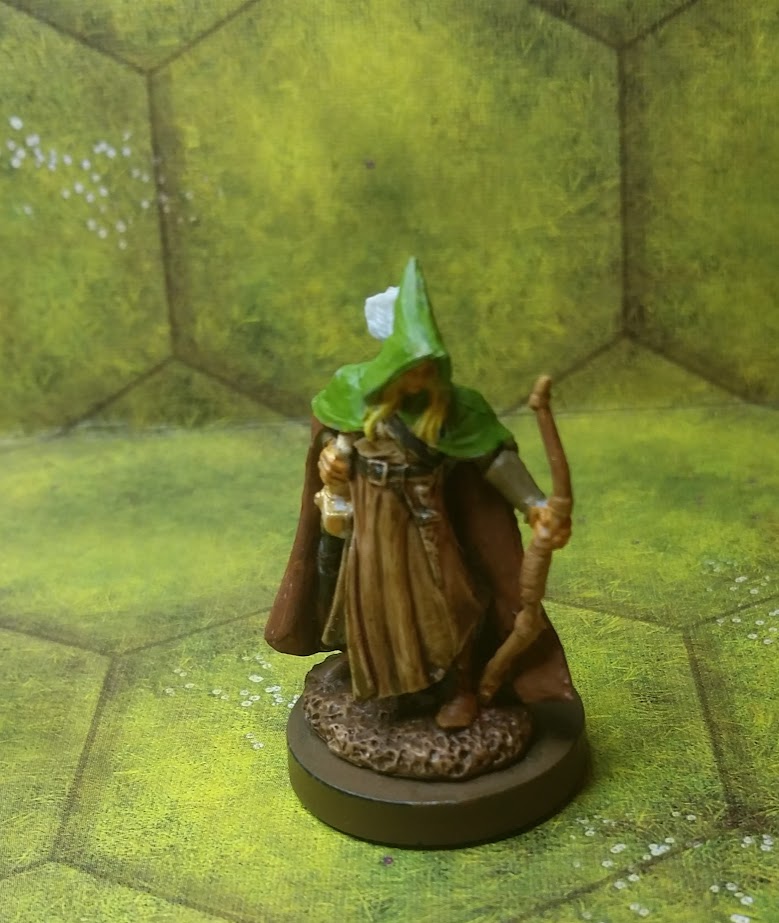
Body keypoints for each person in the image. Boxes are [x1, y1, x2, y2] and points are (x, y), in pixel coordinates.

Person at [265, 258, 573, 729]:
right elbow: (330, 436)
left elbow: (492, 459)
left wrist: (535, 506)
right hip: (371, 522)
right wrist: (330, 459)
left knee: (455, 605)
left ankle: (460, 689)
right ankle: (388, 685)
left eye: (429, 369)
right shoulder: (356, 391)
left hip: (428, 520)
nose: (419, 379)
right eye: (411, 369)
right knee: (371, 607)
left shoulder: (456, 410)